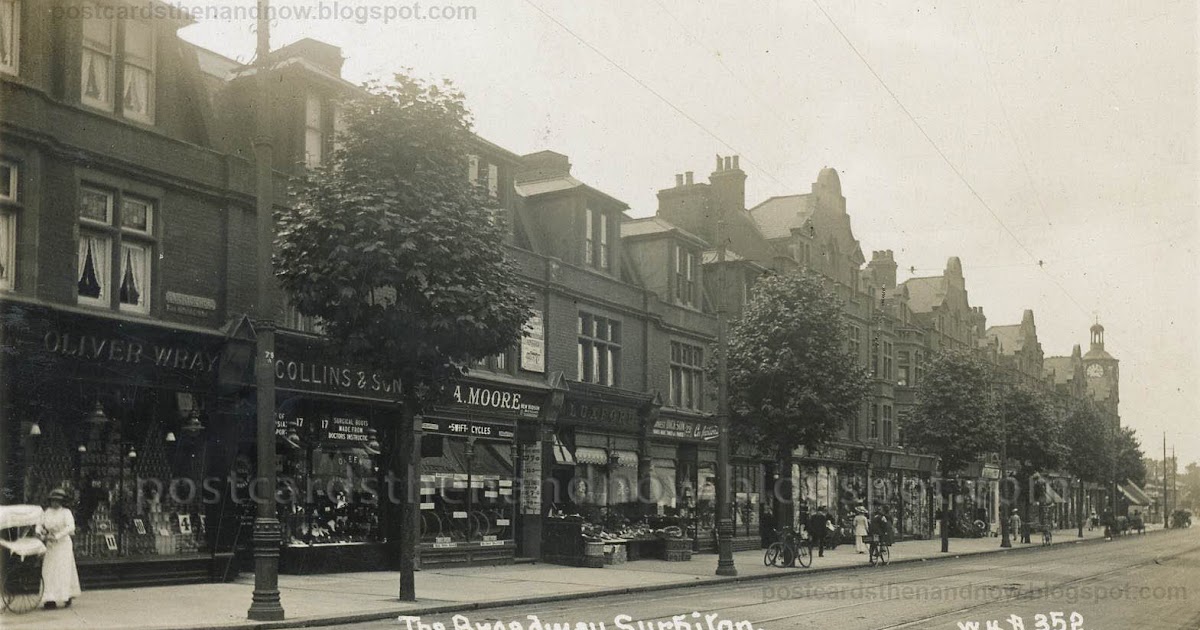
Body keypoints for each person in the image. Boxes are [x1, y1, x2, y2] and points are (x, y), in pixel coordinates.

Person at [38, 488, 81, 609]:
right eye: (53, 501)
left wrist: (57, 536)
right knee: (49, 570)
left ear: (62, 502)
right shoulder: (46, 512)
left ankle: (65, 595)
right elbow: (40, 524)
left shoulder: (66, 512)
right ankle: (49, 599)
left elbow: (70, 527)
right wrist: (41, 533)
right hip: (51, 546)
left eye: (57, 501)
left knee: (62, 570)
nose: (55, 503)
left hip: (63, 545)